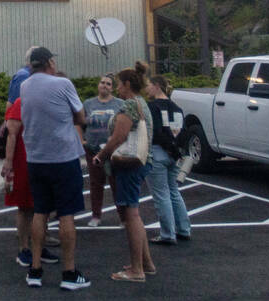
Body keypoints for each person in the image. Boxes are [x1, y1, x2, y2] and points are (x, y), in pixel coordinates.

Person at [20, 46, 90, 291]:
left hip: (36, 159)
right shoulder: (64, 85)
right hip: (63, 158)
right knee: (66, 214)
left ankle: (35, 270)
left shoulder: (25, 86)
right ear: (50, 62)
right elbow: (81, 117)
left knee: (40, 212)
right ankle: (69, 274)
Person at [92, 60, 155, 283]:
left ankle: (136, 270)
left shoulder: (129, 106)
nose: (117, 88)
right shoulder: (141, 103)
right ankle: (146, 263)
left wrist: (101, 155)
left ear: (128, 84)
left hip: (129, 164)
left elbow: (119, 137)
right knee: (134, 213)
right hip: (141, 162)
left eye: (119, 84)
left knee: (131, 214)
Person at [0, 97, 59, 269]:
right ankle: (24, 249)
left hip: (43, 158)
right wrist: (9, 163)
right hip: (23, 160)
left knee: (41, 207)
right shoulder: (21, 102)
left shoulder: (47, 101)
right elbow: (11, 133)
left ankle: (38, 248)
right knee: (25, 206)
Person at [145, 74, 192, 244]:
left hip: (158, 152)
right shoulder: (176, 108)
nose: (146, 89)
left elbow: (156, 131)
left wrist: (166, 147)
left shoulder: (152, 107)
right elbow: (184, 132)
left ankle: (167, 234)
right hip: (174, 154)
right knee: (173, 192)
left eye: (149, 85)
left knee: (161, 195)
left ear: (157, 85)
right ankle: (184, 229)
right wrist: (176, 150)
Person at [81, 74, 125, 227]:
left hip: (113, 150)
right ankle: (96, 216)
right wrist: (82, 141)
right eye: (102, 82)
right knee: (95, 183)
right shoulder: (88, 104)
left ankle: (123, 217)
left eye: (108, 83)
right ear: (98, 85)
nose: (104, 85)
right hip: (92, 149)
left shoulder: (120, 104)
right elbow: (79, 123)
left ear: (112, 87)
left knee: (116, 183)